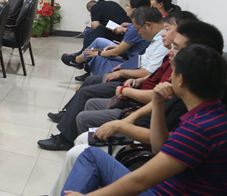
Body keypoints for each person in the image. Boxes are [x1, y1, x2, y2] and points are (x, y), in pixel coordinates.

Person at [48, 20, 224, 196]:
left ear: (180, 80)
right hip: (156, 169)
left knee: (82, 153)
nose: (171, 52)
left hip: (157, 190)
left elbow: (140, 181)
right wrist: (157, 102)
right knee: (88, 152)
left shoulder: (199, 128)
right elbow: (159, 146)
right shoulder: (208, 113)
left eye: (176, 49)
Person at [38, 7, 169, 151]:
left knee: (86, 92)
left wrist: (122, 73)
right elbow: (143, 62)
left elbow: (147, 71)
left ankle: (64, 139)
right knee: (90, 80)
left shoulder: (163, 44)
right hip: (131, 75)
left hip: (130, 83)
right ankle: (68, 114)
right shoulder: (158, 39)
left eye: (138, 29)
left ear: (148, 25)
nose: (137, 32)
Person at [71, 0, 151, 81]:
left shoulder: (135, 28)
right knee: (96, 41)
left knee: (97, 52)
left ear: (134, 10)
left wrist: (98, 53)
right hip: (132, 56)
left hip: (132, 61)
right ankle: (81, 65)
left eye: (128, 5)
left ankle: (79, 62)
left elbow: (117, 52)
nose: (126, 8)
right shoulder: (141, 23)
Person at [62, 0, 130, 68]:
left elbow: (95, 26)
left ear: (90, 10)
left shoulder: (95, 7)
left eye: (128, 6)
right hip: (122, 34)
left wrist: (93, 16)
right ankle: (82, 56)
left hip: (119, 36)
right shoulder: (112, 3)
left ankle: (80, 59)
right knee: (91, 31)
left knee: (95, 32)